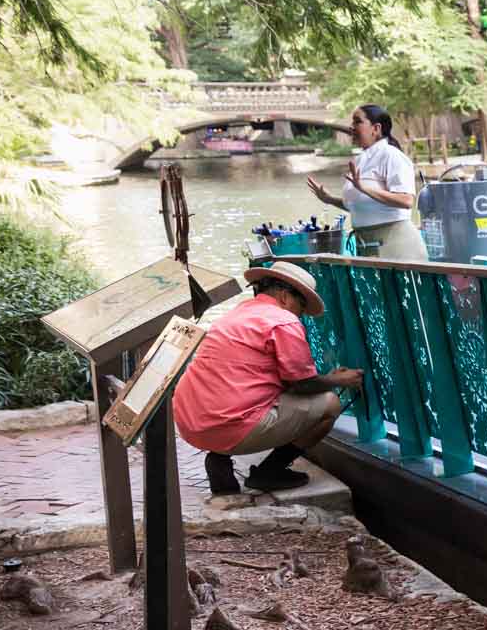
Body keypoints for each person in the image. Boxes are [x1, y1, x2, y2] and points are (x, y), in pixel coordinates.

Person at [171, 262, 365, 495]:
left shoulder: (237, 313)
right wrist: (339, 381)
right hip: (228, 427)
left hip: (190, 424)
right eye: (301, 305)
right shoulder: (283, 321)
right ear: (284, 297)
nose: (301, 314)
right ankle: (270, 471)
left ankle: (220, 458)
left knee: (240, 394)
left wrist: (326, 377)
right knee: (331, 404)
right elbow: (301, 384)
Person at [306, 103, 427, 259]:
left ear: (376, 128)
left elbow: (406, 200)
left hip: (396, 246)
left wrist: (365, 189)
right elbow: (360, 205)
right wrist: (329, 199)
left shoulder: (392, 156)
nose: (351, 127)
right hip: (366, 246)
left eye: (357, 121)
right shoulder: (360, 159)